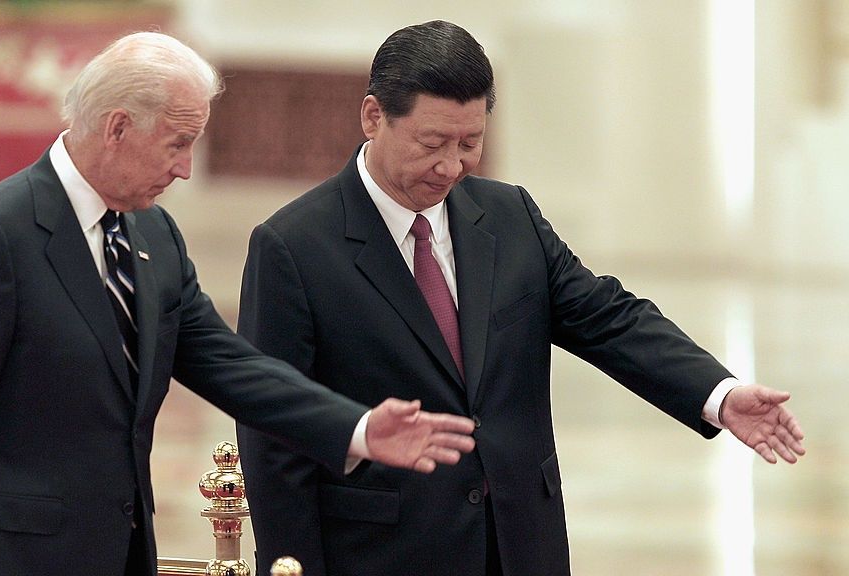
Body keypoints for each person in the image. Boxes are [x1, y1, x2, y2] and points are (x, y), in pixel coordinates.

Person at [0, 31, 478, 576]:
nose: (184, 168)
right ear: (117, 128)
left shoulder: (154, 236)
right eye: (177, 144)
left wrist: (357, 427)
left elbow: (230, 365)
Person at [235, 20, 806, 576]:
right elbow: (274, 436)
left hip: (519, 542)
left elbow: (607, 317)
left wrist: (719, 394)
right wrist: (291, 567)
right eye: (432, 143)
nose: (451, 166)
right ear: (373, 116)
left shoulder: (510, 217)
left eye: (470, 142)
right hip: (382, 550)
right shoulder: (293, 246)